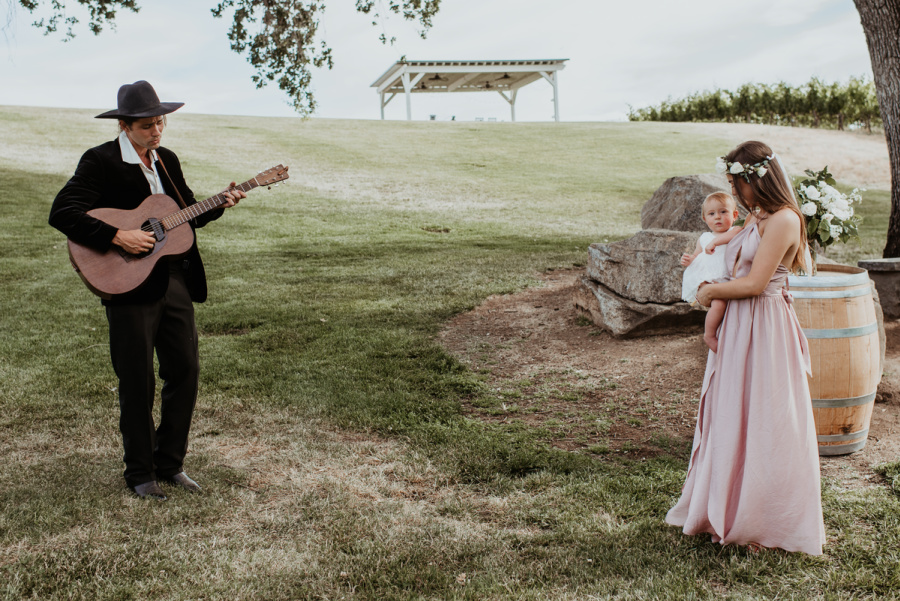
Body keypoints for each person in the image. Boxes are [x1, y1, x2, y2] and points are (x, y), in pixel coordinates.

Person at [48, 81, 247, 501]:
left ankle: (170, 464)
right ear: (124, 125)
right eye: (147, 125)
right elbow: (62, 211)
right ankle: (140, 473)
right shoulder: (100, 161)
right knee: (136, 379)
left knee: (185, 371)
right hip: (128, 284)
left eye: (161, 122)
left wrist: (221, 203)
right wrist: (117, 236)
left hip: (174, 279)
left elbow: (183, 216)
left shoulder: (166, 160)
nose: (157, 131)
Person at [665, 140, 826, 555]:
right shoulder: (757, 215)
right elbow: (732, 264)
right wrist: (702, 274)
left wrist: (708, 295)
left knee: (767, 418)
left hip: (766, 324)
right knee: (732, 410)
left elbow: (755, 284)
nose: (735, 193)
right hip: (739, 321)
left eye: (739, 183)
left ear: (759, 178)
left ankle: (766, 520)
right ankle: (726, 507)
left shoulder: (785, 220)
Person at [680, 192, 741, 352]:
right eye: (712, 214)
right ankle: (709, 334)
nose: (718, 217)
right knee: (719, 304)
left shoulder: (735, 231)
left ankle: (726, 335)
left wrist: (716, 241)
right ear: (705, 218)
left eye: (723, 212)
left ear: (735, 215)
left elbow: (737, 231)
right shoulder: (704, 237)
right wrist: (689, 260)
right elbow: (697, 256)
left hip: (727, 279)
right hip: (708, 278)